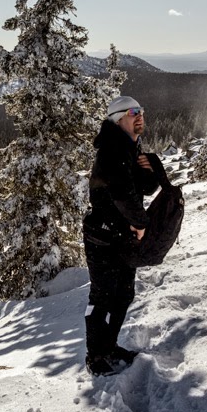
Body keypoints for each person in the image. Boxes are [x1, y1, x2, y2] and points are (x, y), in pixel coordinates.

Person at [82, 95, 161, 377]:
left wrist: (148, 172)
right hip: (103, 236)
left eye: (142, 110)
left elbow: (145, 189)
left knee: (123, 295)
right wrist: (140, 223)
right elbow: (120, 194)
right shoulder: (112, 149)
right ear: (117, 118)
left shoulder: (129, 146)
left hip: (121, 235)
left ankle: (110, 347)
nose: (140, 115)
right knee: (102, 297)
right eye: (133, 112)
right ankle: (96, 358)